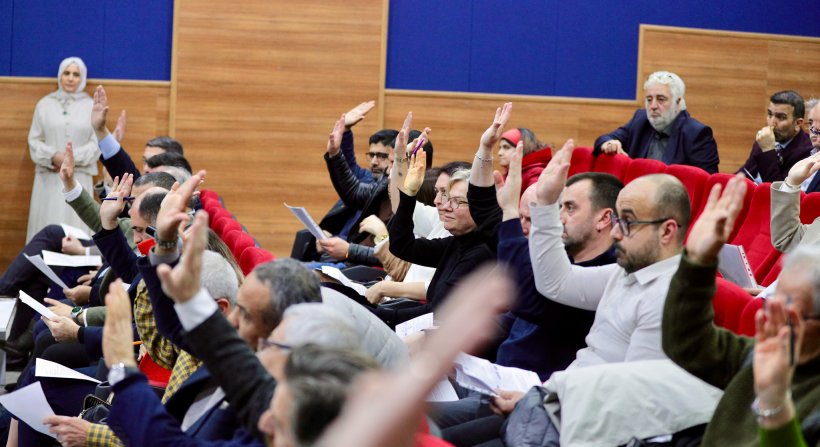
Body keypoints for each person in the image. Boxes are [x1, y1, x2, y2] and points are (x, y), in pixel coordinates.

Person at [662, 174, 820, 446]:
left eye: (788, 309)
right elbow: (685, 342)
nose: (766, 316)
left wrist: (775, 406)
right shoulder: (761, 353)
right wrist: (697, 262)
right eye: (774, 301)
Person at [26, 57, 99, 241]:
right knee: (46, 227)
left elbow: (96, 143)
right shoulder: (44, 104)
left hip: (78, 176)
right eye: (67, 73)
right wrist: (53, 156)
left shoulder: (91, 106)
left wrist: (71, 160)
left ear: (82, 78)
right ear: (60, 76)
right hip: (48, 178)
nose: (70, 78)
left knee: (77, 224)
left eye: (76, 74)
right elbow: (34, 140)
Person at [594, 71, 719, 173]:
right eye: (649, 99)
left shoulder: (697, 134)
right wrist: (609, 143)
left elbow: (705, 185)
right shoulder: (640, 120)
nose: (653, 106)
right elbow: (604, 139)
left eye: (661, 99)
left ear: (677, 102)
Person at [738, 90, 813, 183]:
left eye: (781, 117)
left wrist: (768, 151)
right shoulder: (764, 139)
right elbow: (745, 173)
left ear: (798, 123)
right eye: (770, 114)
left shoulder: (807, 152)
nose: (772, 122)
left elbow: (778, 191)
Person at [497, 127, 551, 195]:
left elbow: (533, 202)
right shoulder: (509, 174)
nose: (499, 153)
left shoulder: (535, 173)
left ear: (522, 148)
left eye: (506, 147)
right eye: (500, 148)